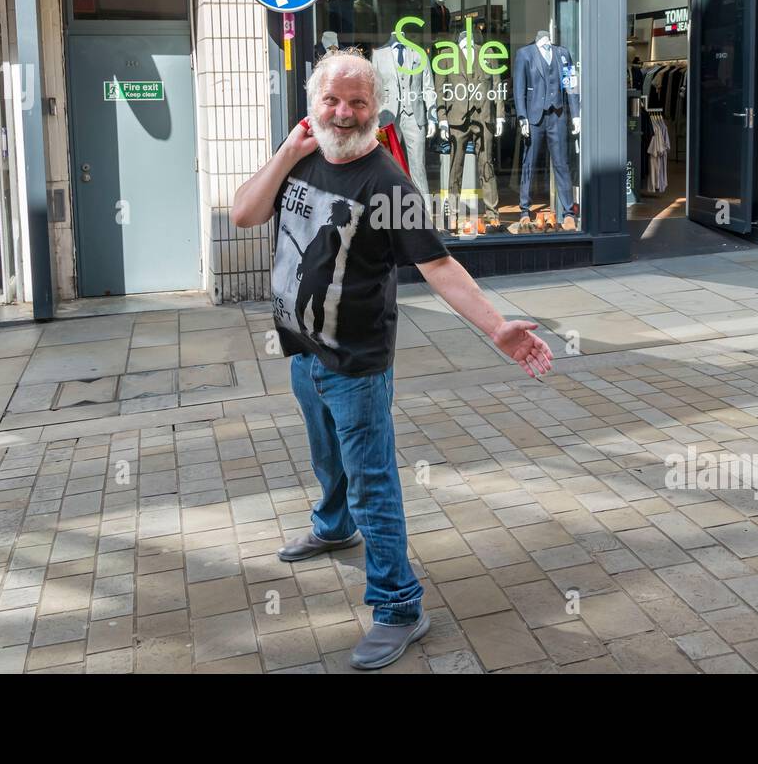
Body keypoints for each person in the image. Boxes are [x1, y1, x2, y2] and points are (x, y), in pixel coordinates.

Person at [232, 48, 554, 670]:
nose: (344, 113)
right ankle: (332, 525)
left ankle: (399, 605)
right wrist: (287, 152)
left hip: (355, 364)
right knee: (325, 454)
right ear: (312, 107)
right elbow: (246, 213)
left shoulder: (387, 183)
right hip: (301, 351)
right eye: (332, 100)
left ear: (377, 111)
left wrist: (496, 329)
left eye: (358, 103)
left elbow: (439, 266)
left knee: (373, 482)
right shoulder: (298, 159)